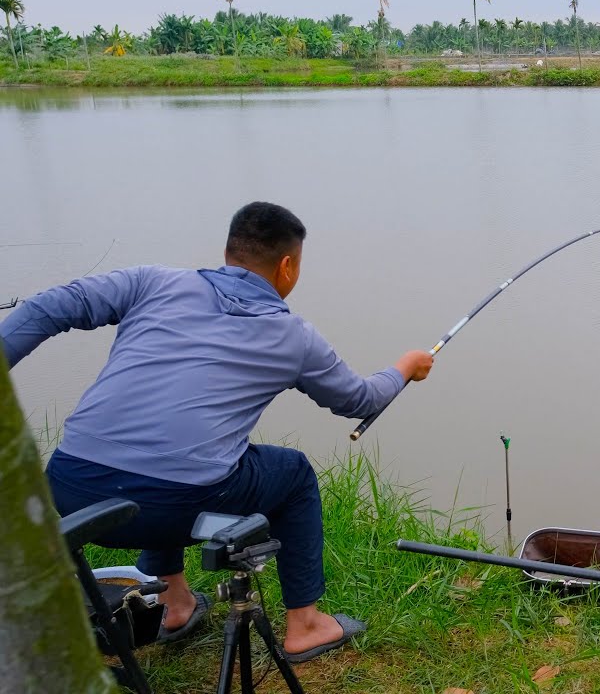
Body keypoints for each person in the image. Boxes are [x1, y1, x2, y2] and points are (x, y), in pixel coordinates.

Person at [0, 202, 434, 662]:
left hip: (69, 492)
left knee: (176, 455)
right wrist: (405, 368)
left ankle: (173, 604)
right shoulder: (293, 336)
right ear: (287, 266)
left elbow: (49, 307)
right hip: (171, 509)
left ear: (230, 251)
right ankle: (305, 625)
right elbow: (360, 401)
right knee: (292, 473)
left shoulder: (152, 282)